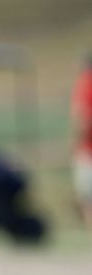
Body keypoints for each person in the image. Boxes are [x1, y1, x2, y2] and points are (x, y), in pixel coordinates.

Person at [71, 53, 92, 232]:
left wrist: (75, 143)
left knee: (87, 199)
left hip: (88, 150)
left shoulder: (87, 81)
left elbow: (83, 118)